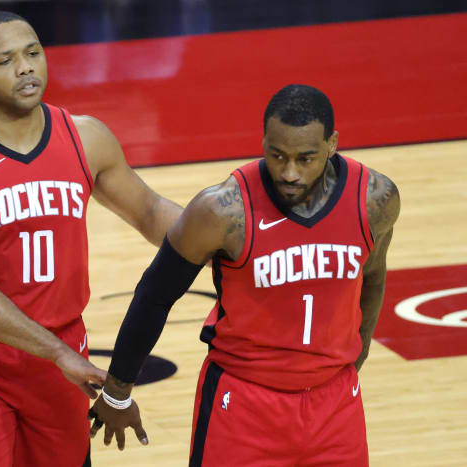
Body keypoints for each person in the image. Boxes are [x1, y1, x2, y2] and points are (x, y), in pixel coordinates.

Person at [0, 11, 182, 467]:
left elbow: (152, 212)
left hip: (61, 357)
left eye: (33, 53)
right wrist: (56, 353)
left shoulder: (85, 137)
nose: (25, 68)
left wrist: (228, 244)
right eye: (6, 60)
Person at [89, 84, 400, 466]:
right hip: (244, 404)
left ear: (332, 144)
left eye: (306, 158)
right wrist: (117, 391)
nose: (289, 172)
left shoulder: (374, 199)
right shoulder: (221, 210)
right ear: (263, 141)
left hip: (334, 404)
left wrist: (354, 362)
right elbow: (155, 294)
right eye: (277, 155)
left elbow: (373, 278)